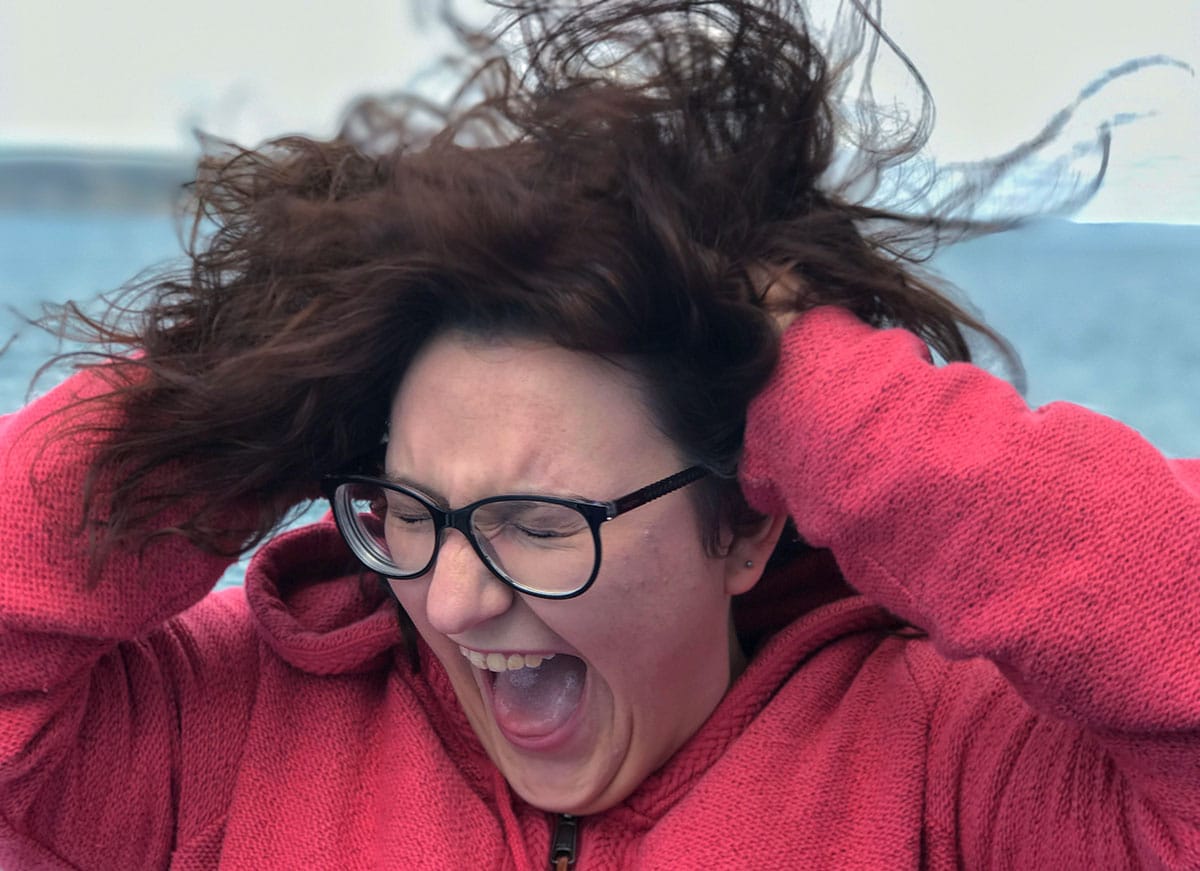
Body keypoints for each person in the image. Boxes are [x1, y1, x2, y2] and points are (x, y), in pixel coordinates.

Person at [1, 1, 1197, 868]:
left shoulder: (956, 768)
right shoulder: (236, 726)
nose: (456, 600)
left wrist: (817, 385)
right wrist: (246, 390)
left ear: (742, 516)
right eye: (409, 513)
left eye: (536, 522)